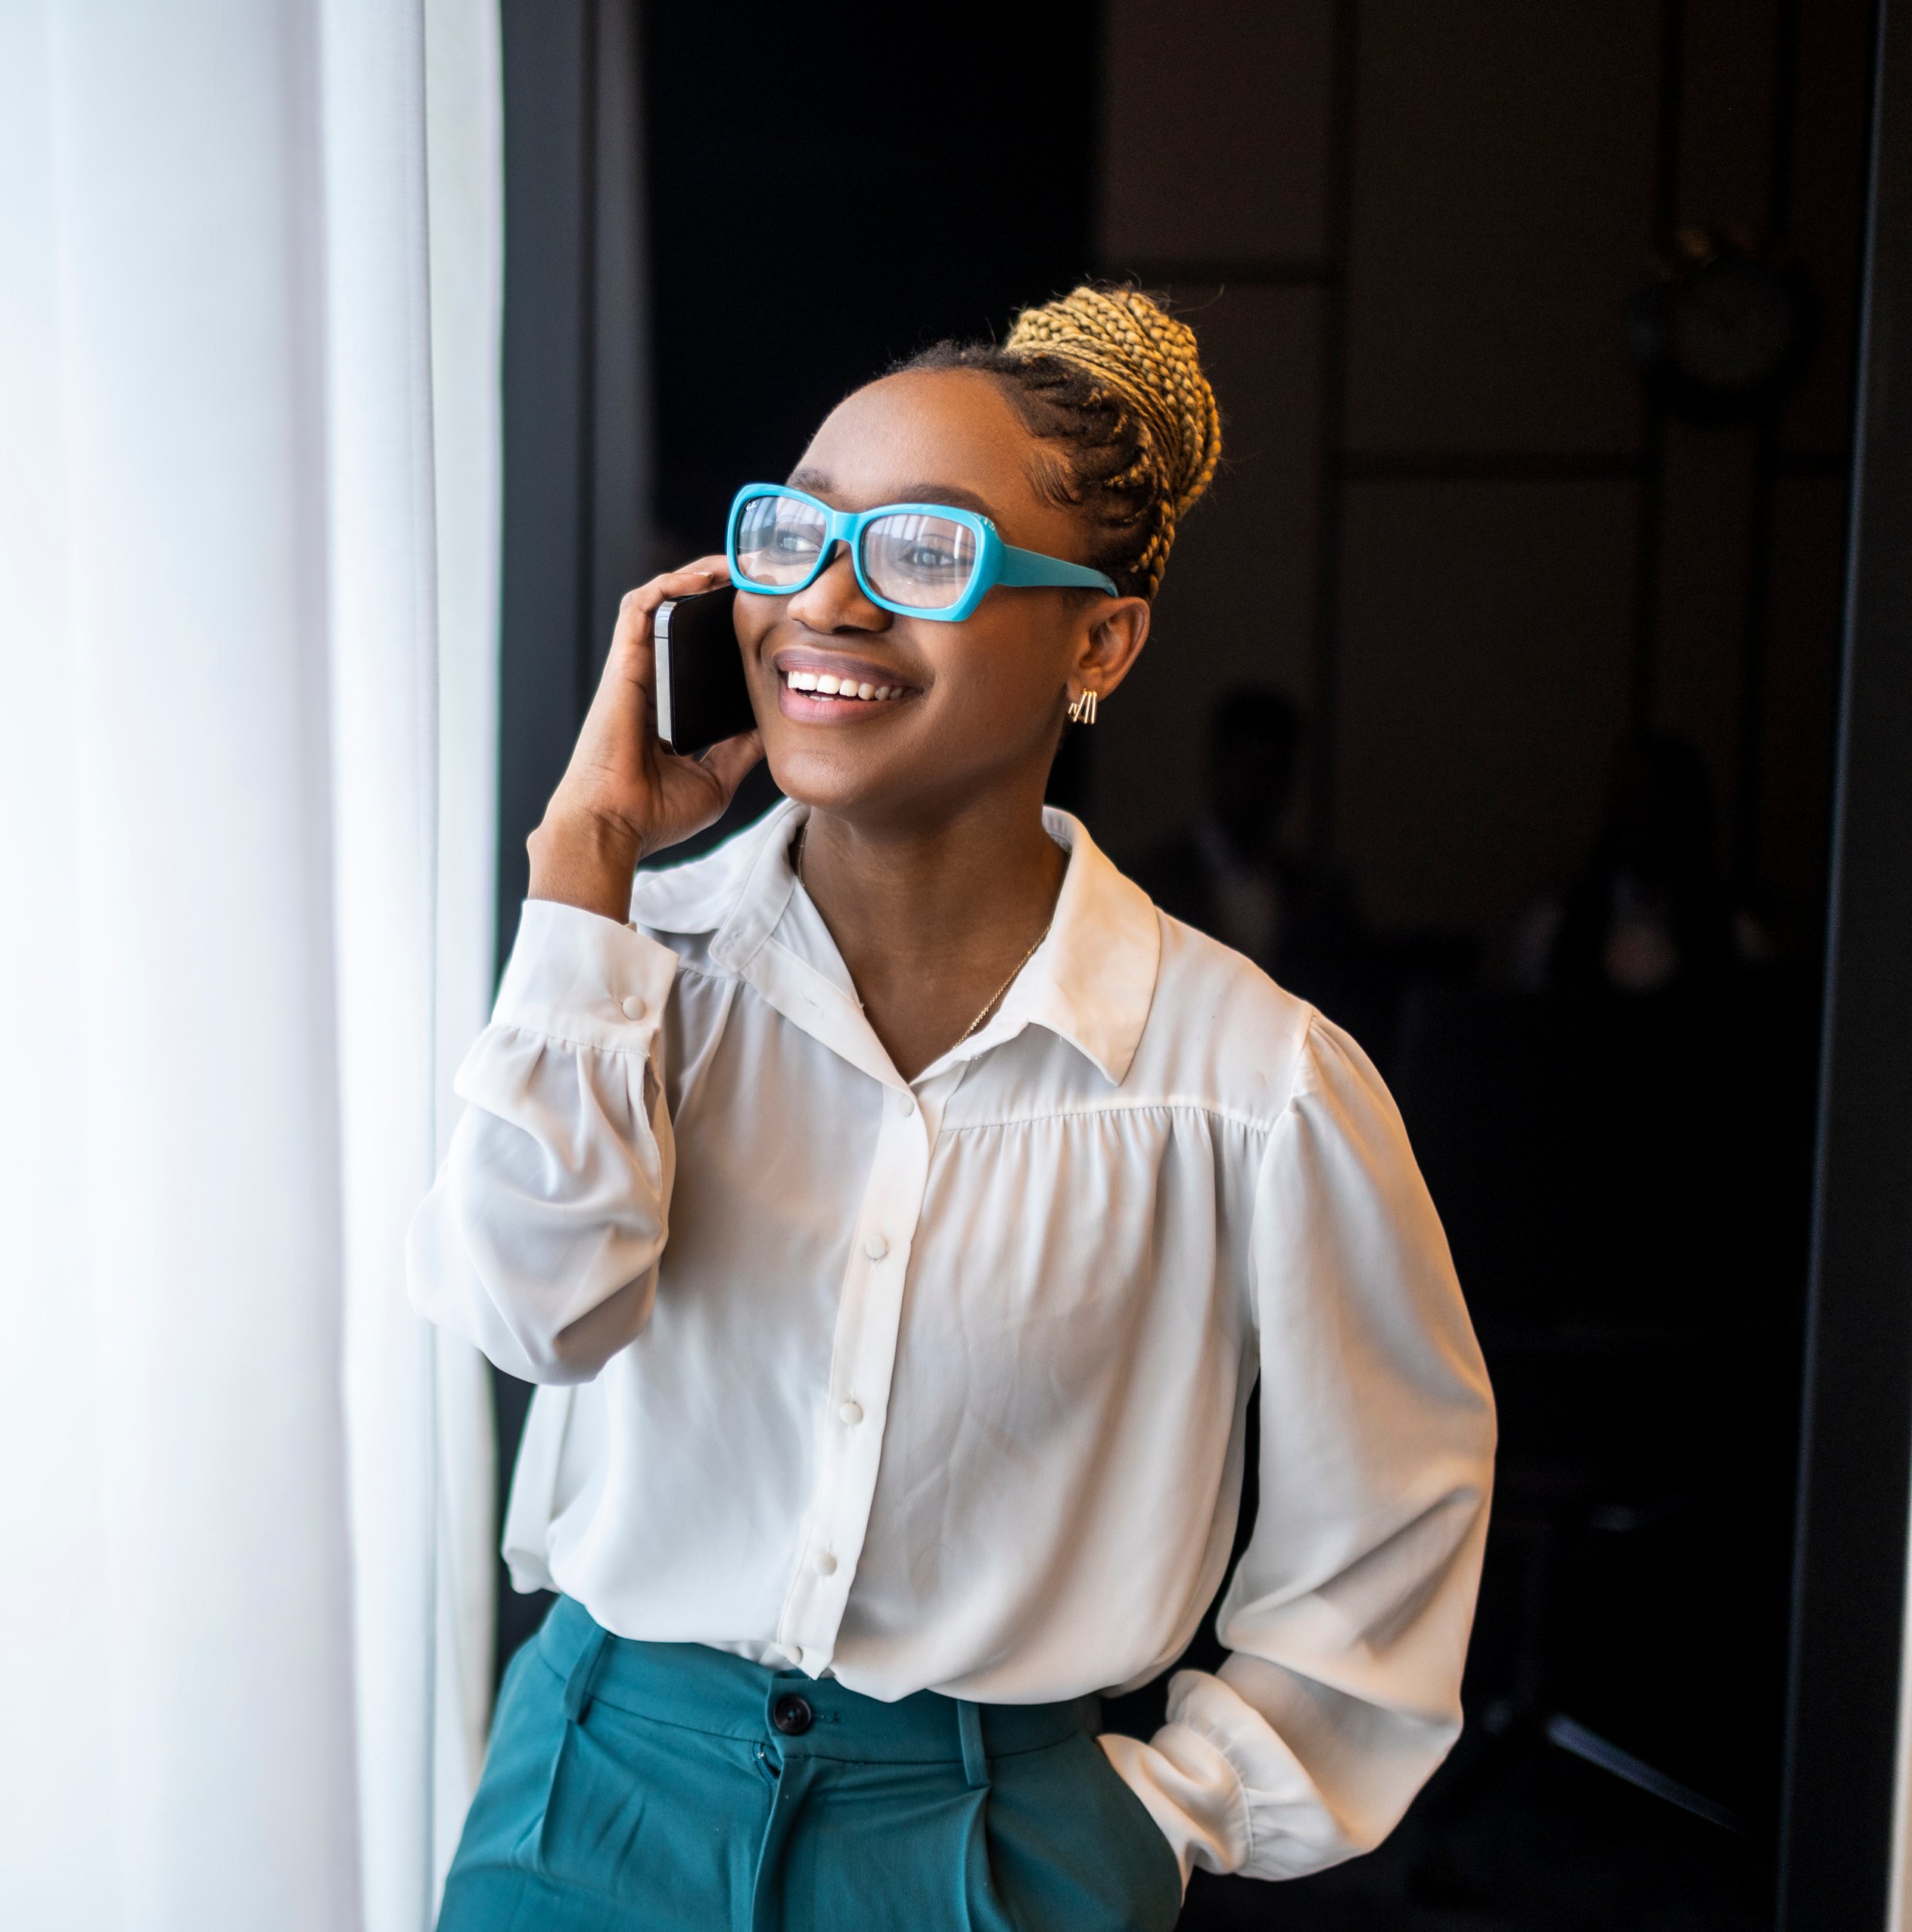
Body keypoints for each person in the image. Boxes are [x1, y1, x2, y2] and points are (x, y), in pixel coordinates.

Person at [409, 287, 1493, 1930]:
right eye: (795, 537)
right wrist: (585, 873)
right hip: (590, 1802)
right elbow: (528, 1313)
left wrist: (1156, 1817)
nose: (826, 602)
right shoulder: (627, 966)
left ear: (1099, 644)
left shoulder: (1254, 1088)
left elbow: (1396, 1523)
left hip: (988, 1845)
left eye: (925, 554)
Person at [1127, 685, 1364, 982]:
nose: (1264, 788)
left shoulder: (1318, 893)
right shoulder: (1150, 886)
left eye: (1278, 771)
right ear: (1219, 766)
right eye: (1252, 768)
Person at [1508, 734, 1770, 996]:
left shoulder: (1735, 937)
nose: (1630, 814)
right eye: (1621, 796)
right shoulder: (1554, 930)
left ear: (1683, 810)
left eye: (1646, 797)